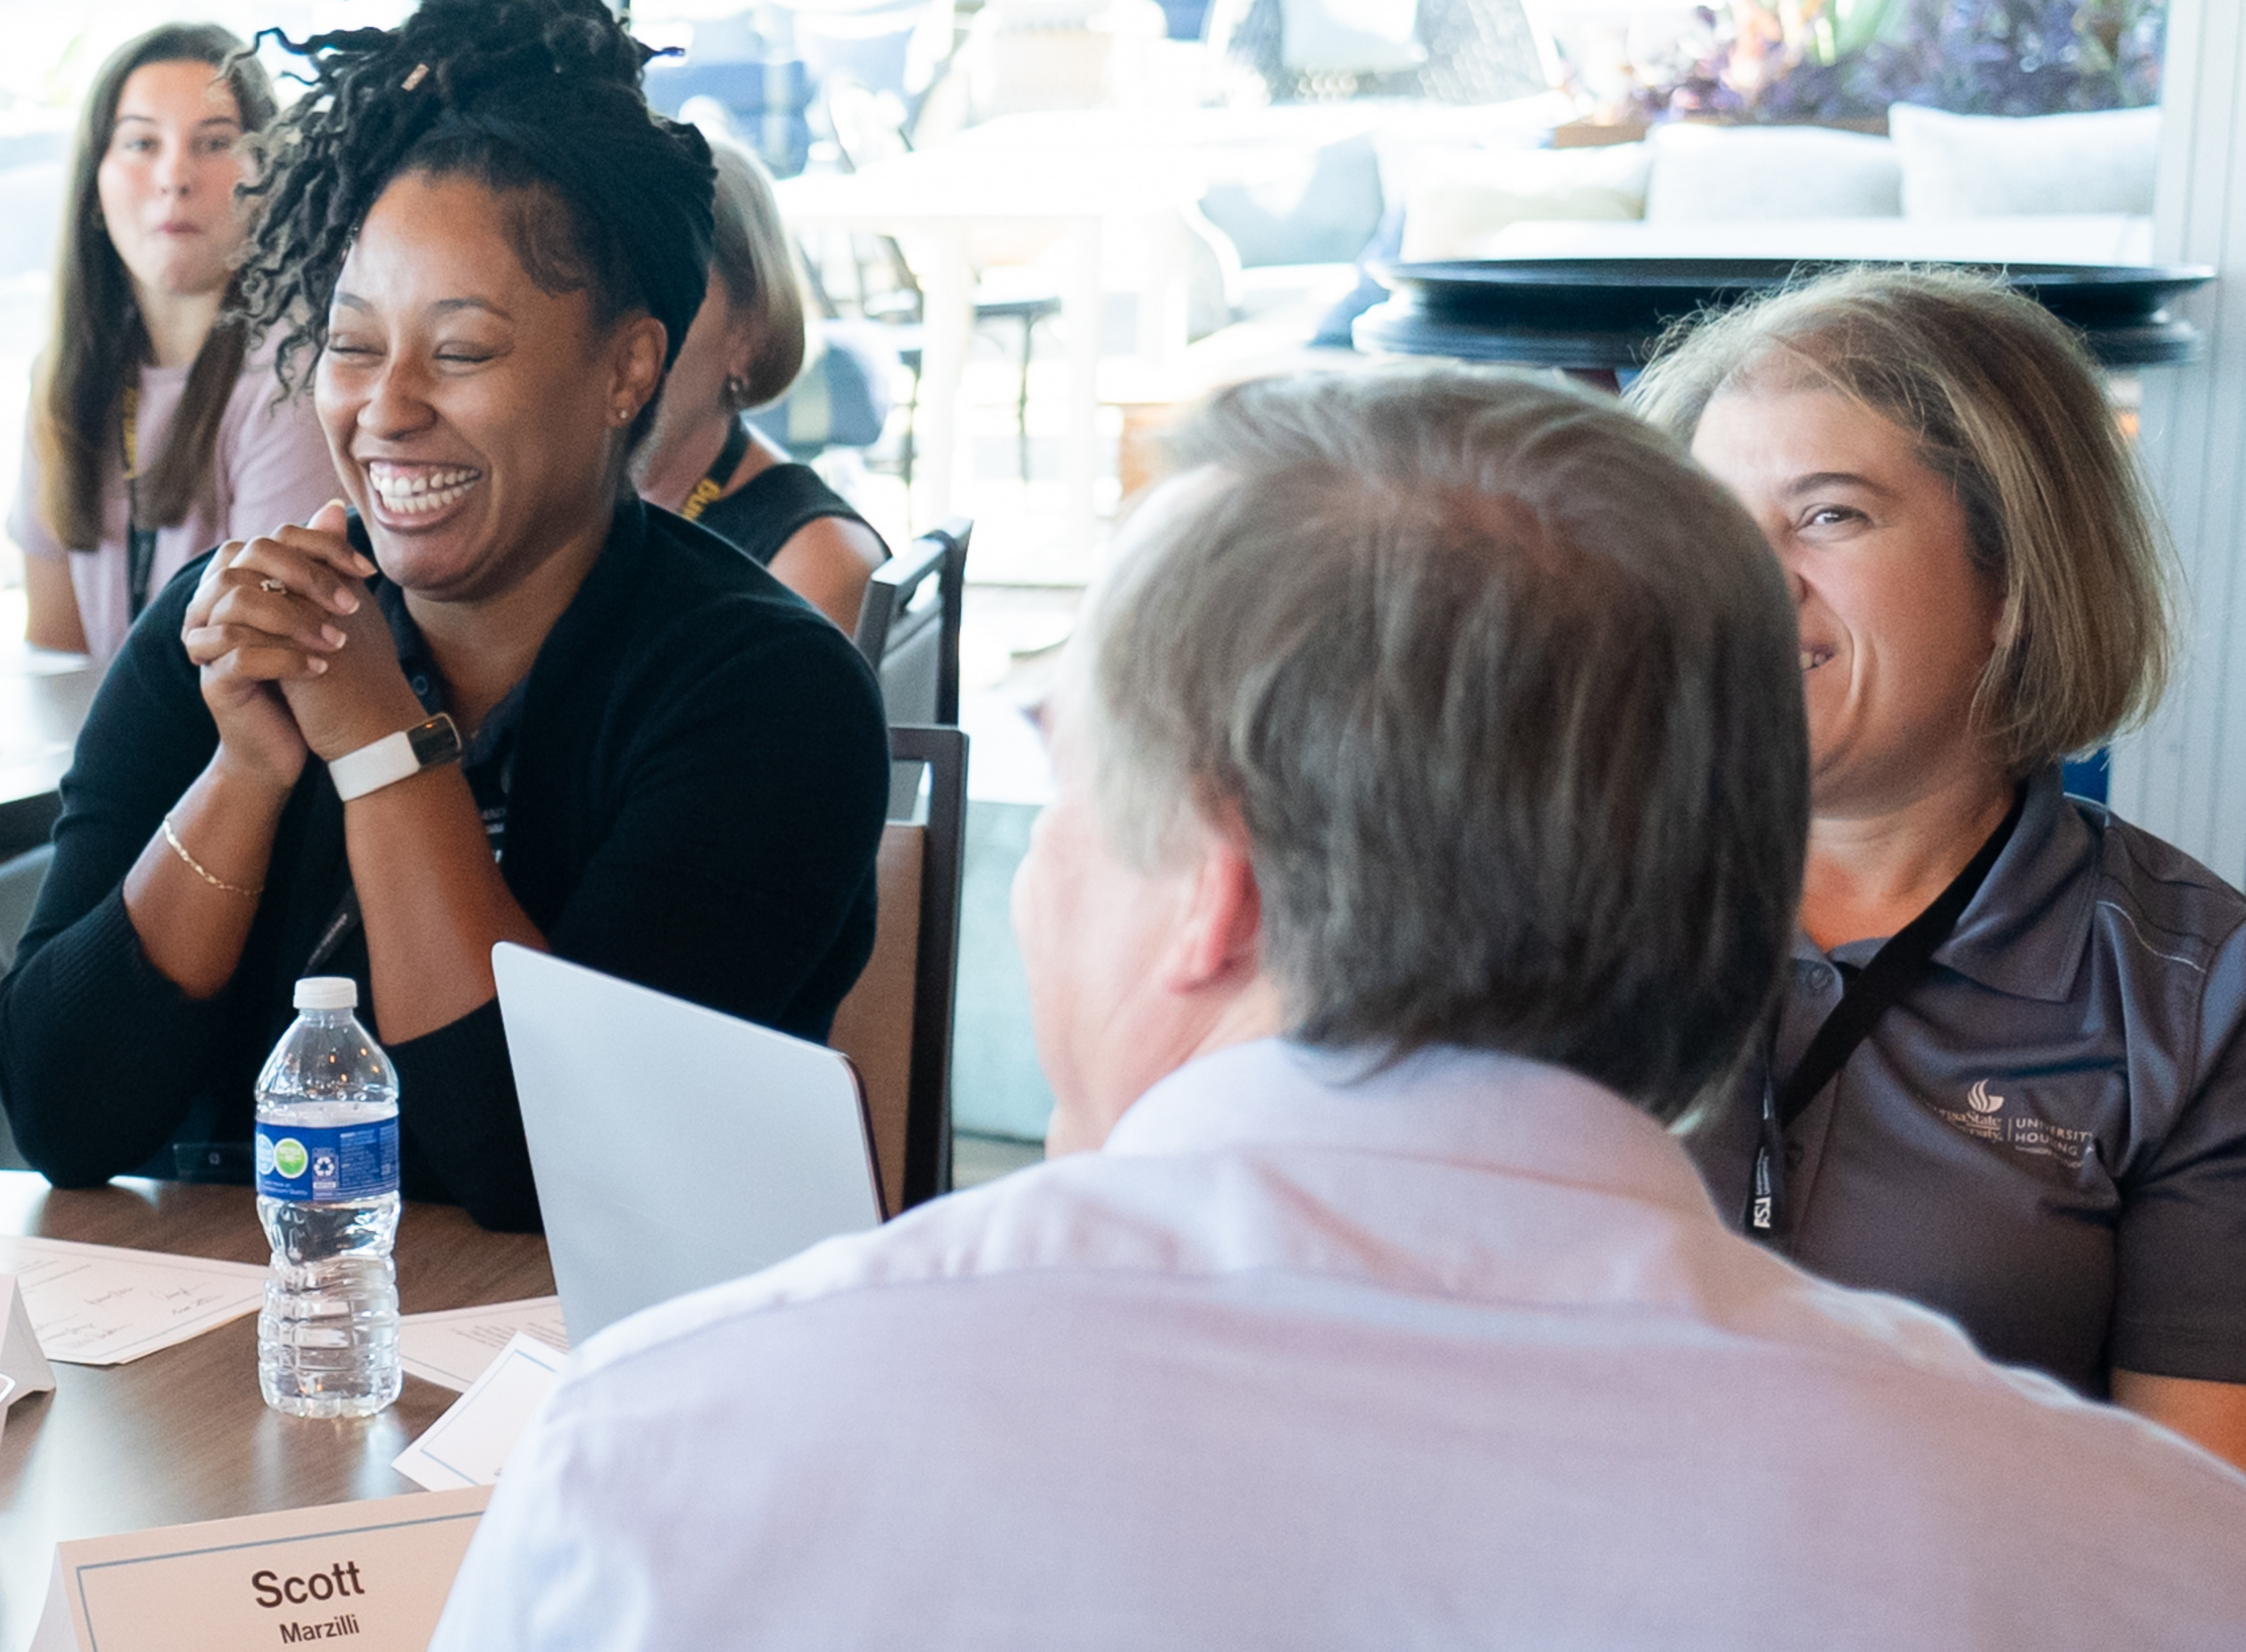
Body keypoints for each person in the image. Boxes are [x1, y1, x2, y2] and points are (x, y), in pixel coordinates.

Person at [429, 364, 2246, 1647]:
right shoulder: (2137, 1557)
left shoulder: (672, 1463)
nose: (1052, 874)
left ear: (1214, 869)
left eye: (1078, 792)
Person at [0, 3, 884, 1226]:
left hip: (610, 1374)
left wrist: (378, 742)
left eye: (460, 353)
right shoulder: (238, 628)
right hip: (249, 1361)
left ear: (628, 369)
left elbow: (537, 1166)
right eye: (354, 348)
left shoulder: (767, 695)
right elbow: (60, 1113)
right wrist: (247, 773)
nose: (386, 410)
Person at [1628, 267, 2246, 1470]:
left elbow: (2202, 1530)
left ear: (2015, 581)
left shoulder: (2195, 997)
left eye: (1829, 514)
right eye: (1709, 518)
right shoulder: (1542, 893)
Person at [0, 22, 339, 1173]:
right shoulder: (74, 381)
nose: (174, 176)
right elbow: (51, 657)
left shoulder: (291, 382)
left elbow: (265, 674)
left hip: (221, 802)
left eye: (216, 142)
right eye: (140, 144)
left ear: (271, 175)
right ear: (95, 181)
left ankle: (3, 1248)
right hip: (101, 790)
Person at [624, 136, 877, 631]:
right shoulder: (584, 520)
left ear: (747, 328)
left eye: (667, 298)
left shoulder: (814, 561)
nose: (629, 344)